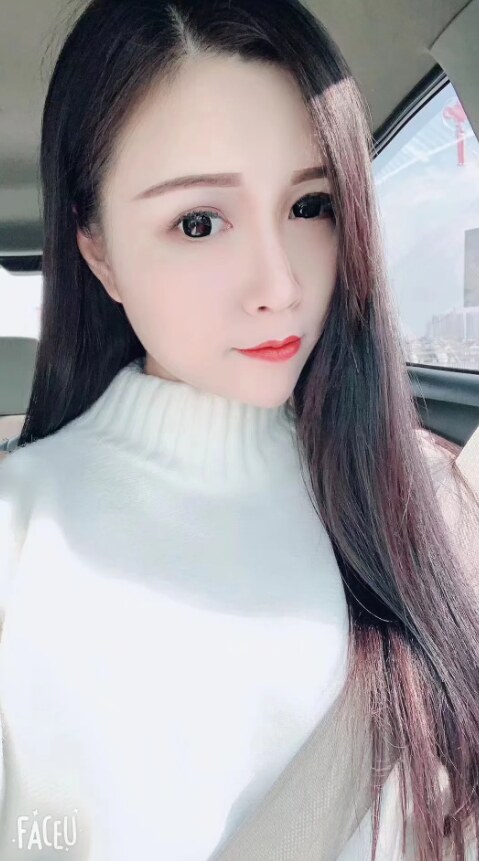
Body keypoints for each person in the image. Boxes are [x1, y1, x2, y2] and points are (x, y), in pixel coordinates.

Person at [0, 0, 478, 858]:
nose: (280, 286)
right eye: (199, 222)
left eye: (310, 205)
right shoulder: (18, 537)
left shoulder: (426, 496)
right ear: (98, 252)